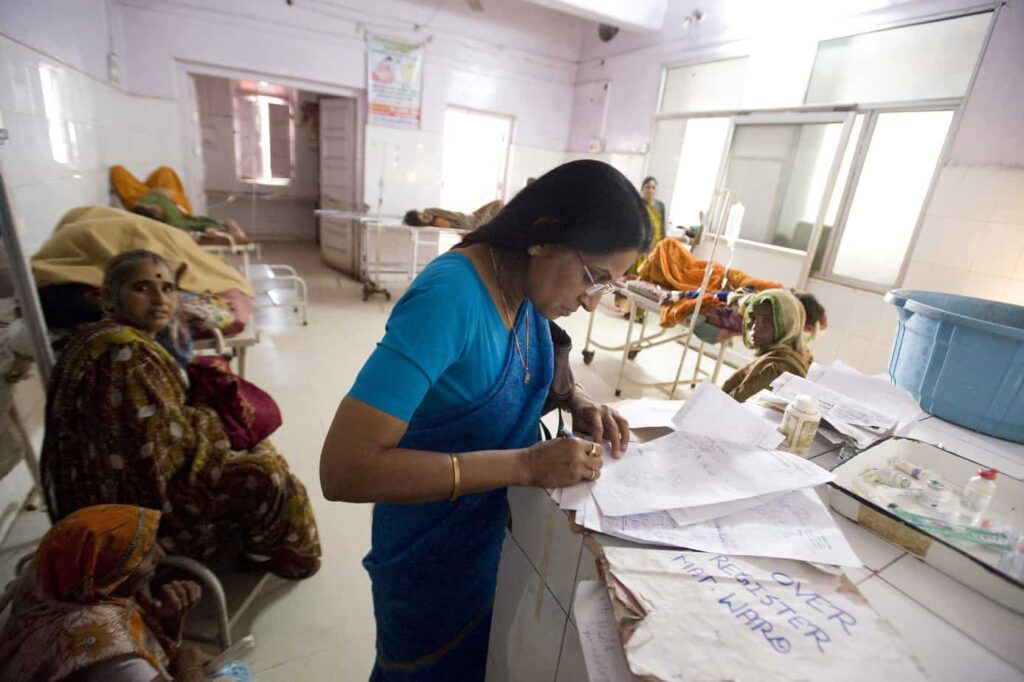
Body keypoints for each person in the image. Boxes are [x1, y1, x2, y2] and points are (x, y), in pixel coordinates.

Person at [319, 160, 651, 679]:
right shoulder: (450, 299)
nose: (590, 301)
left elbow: (516, 374)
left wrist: (578, 400)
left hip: (494, 541)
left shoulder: (526, 291)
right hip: (431, 558)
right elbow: (343, 470)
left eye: (608, 286)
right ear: (544, 238)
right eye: (593, 277)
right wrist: (524, 465)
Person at [40, 250, 321, 579]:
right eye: (141, 288)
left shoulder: (103, 337)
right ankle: (268, 555)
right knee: (264, 470)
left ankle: (255, 542)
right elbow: (160, 455)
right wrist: (209, 418)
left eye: (168, 289)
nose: (159, 299)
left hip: (100, 490)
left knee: (250, 441)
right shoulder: (125, 353)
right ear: (108, 297)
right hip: (132, 501)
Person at [0, 504, 230, 682]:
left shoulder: (57, 592)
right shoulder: (103, 645)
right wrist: (187, 665)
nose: (160, 554)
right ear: (105, 571)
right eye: (143, 553)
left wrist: (169, 622)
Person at [722, 288, 812, 402]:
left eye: (768, 320)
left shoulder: (776, 368)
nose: (755, 327)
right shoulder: (799, 353)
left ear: (787, 324)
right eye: (752, 317)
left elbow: (730, 404)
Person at [131, 188, 248, 240]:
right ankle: (233, 233)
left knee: (225, 223)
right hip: (192, 223)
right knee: (227, 223)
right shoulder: (170, 218)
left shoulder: (152, 198)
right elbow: (187, 225)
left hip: (188, 219)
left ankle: (232, 232)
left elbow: (186, 220)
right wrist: (206, 227)